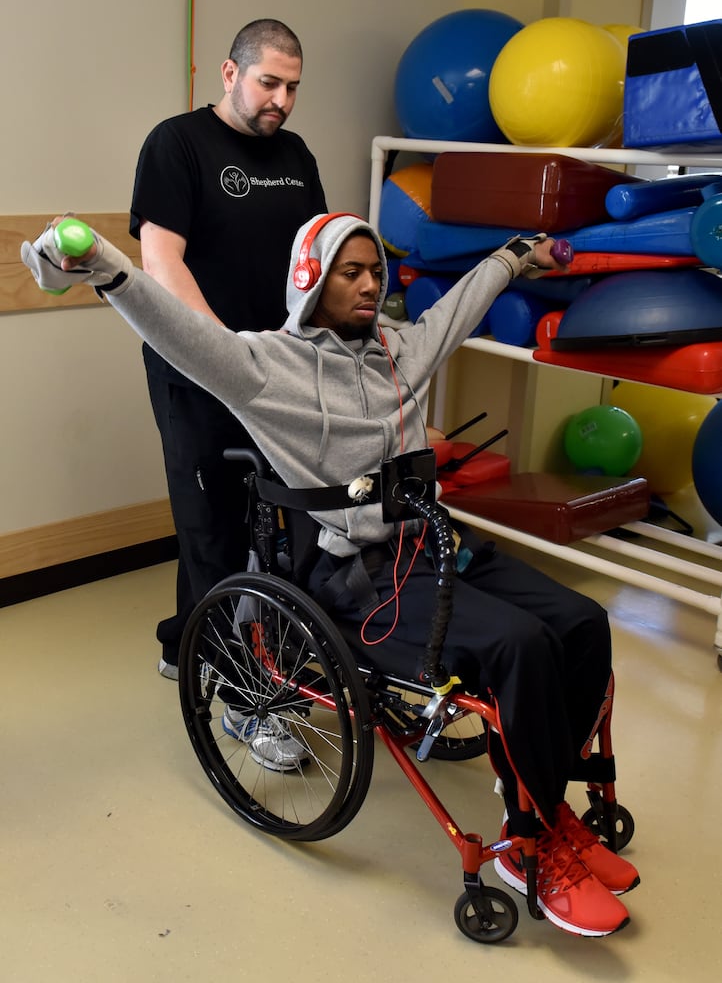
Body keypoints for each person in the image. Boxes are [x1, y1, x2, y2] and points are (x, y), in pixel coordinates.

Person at [22, 213, 640, 939]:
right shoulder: (263, 367)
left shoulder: (397, 350)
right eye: (352, 272)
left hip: (436, 545)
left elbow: (459, 308)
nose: (370, 285)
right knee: (519, 645)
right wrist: (104, 265)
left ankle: (548, 802)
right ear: (310, 277)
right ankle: (530, 842)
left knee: (583, 622)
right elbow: (176, 331)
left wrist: (513, 256)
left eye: (376, 271)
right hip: (359, 578)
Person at [129, 19, 327, 679]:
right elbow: (161, 260)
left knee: (272, 515)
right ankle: (238, 689)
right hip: (196, 367)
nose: (282, 100)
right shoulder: (178, 143)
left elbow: (316, 257)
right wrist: (225, 352)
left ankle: (187, 642)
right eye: (269, 83)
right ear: (230, 73)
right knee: (209, 519)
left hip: (277, 367)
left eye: (292, 88)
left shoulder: (296, 156)